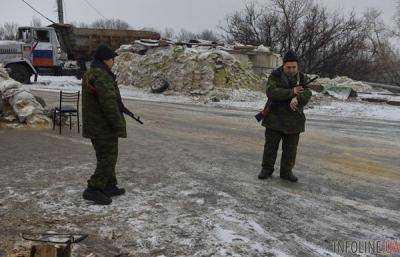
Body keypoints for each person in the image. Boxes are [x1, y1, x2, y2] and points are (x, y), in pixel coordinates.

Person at [81, 44, 127, 205]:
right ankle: (93, 189)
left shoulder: (93, 72)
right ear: (105, 60)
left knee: (106, 156)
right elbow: (108, 104)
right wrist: (118, 125)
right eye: (112, 59)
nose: (113, 61)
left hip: (96, 124)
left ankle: (108, 185)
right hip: (102, 125)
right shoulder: (101, 75)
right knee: (108, 157)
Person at [258, 50, 312, 183]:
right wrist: (291, 92)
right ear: (283, 65)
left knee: (290, 149)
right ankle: (267, 169)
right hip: (274, 118)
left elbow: (308, 93)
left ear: (297, 66)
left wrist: (298, 99)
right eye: (289, 67)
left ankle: (286, 172)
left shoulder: (302, 78)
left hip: (294, 120)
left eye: (294, 67)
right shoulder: (275, 75)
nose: (292, 70)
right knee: (270, 147)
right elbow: (271, 92)